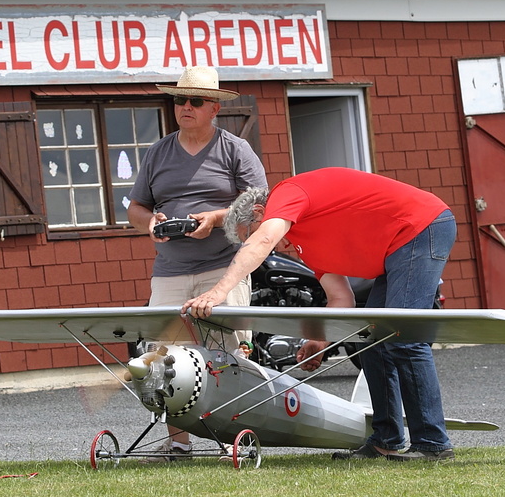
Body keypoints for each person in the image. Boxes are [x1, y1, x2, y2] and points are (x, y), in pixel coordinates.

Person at [182, 167, 456, 461]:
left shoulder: (287, 193)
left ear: (261, 212)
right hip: (398, 246)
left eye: (250, 234)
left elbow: (262, 242)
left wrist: (218, 292)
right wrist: (320, 340)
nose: (267, 244)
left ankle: (432, 444)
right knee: (374, 344)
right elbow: (342, 298)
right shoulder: (308, 245)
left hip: (421, 225)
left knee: (404, 338)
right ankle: (385, 441)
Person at [127, 65, 267, 461]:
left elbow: (259, 206)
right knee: (165, 358)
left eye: (195, 101)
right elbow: (136, 208)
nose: (185, 107)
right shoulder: (158, 151)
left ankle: (234, 441)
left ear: (214, 108)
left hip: (223, 269)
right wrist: (150, 224)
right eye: (178, 99)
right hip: (169, 270)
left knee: (227, 356)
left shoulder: (235, 149)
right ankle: (178, 444)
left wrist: (216, 219)